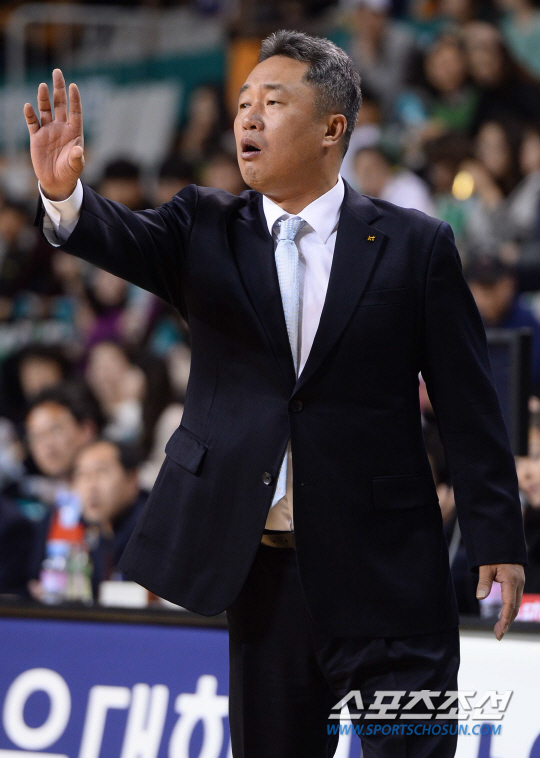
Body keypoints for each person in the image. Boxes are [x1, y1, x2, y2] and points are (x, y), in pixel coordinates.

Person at [24, 30, 526, 758]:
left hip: (389, 574)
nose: (248, 119)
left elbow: (468, 403)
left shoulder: (416, 246)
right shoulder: (203, 225)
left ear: (332, 128)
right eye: (242, 105)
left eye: (273, 102)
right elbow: (120, 237)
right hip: (264, 577)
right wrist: (63, 194)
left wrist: (497, 536)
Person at [71, 438, 147, 599]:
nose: (91, 485)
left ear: (132, 479)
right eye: (82, 475)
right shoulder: (87, 530)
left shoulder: (153, 531)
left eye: (101, 472)